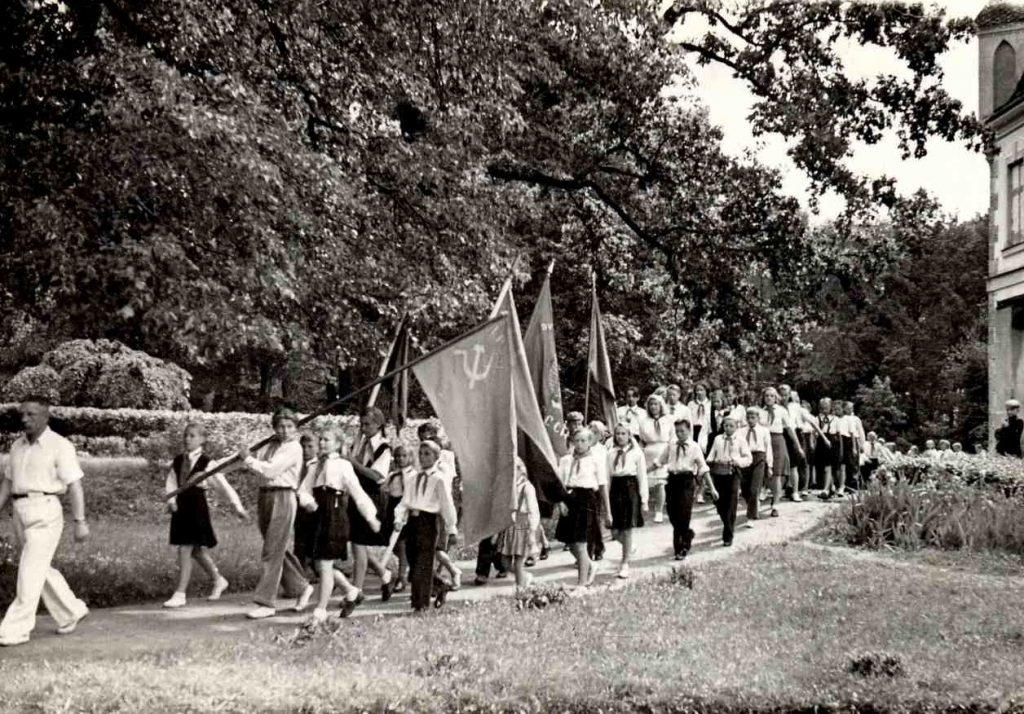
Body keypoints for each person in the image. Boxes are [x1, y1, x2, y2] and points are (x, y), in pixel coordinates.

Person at [0, 396, 91, 647]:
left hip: (46, 510)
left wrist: (80, 521)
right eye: (22, 414)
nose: (24, 419)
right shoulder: (17, 446)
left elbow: (74, 485)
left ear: (45, 417)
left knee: (29, 570)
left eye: (31, 414)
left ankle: (15, 629)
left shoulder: (59, 445)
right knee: (38, 568)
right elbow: (8, 482)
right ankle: (71, 610)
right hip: (19, 511)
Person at [233, 406, 314, 619]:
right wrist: (239, 459)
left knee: (271, 551)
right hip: (265, 496)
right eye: (280, 426)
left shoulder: (294, 448)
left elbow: (269, 470)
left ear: (295, 428)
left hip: (284, 496)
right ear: (274, 427)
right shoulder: (268, 445)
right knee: (276, 548)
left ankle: (266, 602)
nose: (285, 430)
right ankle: (302, 586)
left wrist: (248, 460)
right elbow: (247, 461)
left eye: (289, 426)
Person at [297, 428, 381, 621]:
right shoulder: (314, 466)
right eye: (321, 440)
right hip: (317, 515)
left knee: (325, 564)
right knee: (319, 564)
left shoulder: (343, 465)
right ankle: (351, 591)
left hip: (335, 516)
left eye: (327, 440)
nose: (322, 443)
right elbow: (303, 490)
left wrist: (371, 517)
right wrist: (307, 501)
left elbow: (358, 494)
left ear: (337, 444)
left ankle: (320, 610)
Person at [162, 423, 248, 609]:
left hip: (196, 508)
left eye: (192, 436)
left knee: (185, 549)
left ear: (202, 439)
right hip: (180, 508)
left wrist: (237, 506)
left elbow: (223, 486)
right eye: (186, 435)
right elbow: (171, 482)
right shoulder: (178, 460)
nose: (187, 439)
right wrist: (171, 501)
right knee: (195, 550)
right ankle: (218, 580)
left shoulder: (207, 462)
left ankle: (180, 593)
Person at [393, 440, 459, 612]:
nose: (423, 457)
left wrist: (452, 528)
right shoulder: (413, 478)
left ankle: (420, 605)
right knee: (413, 561)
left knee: (424, 561)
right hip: (412, 522)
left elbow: (447, 505)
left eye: (427, 454)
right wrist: (398, 518)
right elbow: (404, 501)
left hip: (429, 521)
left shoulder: (439, 479)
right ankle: (440, 584)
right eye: (421, 454)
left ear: (437, 457)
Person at [345, 407, 395, 602]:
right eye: (362, 424)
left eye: (368, 424)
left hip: (371, 497)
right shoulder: (358, 443)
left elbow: (376, 476)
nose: (364, 428)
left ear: (379, 425)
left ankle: (356, 590)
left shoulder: (383, 447)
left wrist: (354, 463)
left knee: (359, 544)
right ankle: (384, 574)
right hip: (355, 495)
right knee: (358, 544)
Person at [554, 428, 611, 589]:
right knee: (570, 541)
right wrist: (561, 502)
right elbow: (560, 483)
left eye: (583, 441)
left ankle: (582, 583)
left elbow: (602, 485)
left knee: (580, 542)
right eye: (576, 441)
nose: (579, 444)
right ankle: (590, 565)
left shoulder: (595, 460)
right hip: (569, 498)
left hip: (586, 500)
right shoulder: (566, 460)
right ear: (572, 441)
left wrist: (608, 512)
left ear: (590, 442)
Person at [659, 419, 714, 559]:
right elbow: (660, 461)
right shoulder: (671, 445)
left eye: (682, 431)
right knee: (672, 513)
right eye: (677, 431)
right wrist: (643, 472)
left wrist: (712, 488)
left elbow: (703, 468)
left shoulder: (695, 447)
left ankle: (681, 548)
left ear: (689, 431)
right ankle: (688, 533)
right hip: (672, 480)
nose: (679, 434)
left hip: (686, 481)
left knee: (683, 514)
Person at [607, 423, 647, 579]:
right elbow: (607, 476)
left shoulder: (637, 453)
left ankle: (625, 563)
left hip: (630, 488)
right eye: (617, 434)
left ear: (629, 435)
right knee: (615, 531)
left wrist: (644, 500)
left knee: (627, 527)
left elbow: (642, 477)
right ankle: (629, 547)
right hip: (615, 489)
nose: (620, 437)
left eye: (623, 433)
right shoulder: (610, 453)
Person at [705, 416, 752, 547]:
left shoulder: (740, 440)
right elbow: (711, 455)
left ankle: (728, 535)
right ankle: (727, 523)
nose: (728, 428)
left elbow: (748, 458)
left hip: (733, 472)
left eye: (731, 425)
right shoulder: (718, 439)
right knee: (719, 501)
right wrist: (711, 462)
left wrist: (737, 462)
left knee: (731, 503)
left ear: (736, 427)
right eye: (726, 425)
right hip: (718, 473)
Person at [496, 457, 540, 591]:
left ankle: (520, 590)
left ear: (521, 470)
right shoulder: (508, 487)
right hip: (509, 527)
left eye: (513, 470)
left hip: (522, 527)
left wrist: (532, 531)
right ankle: (525, 577)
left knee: (519, 562)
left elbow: (534, 510)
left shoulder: (527, 487)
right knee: (504, 561)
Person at [760, 388, 800, 517]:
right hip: (764, 441)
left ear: (776, 398)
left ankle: (775, 504)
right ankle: (766, 492)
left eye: (772, 396)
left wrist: (798, 446)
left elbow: (789, 429)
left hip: (778, 441)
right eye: (767, 396)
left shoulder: (782, 411)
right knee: (766, 472)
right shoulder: (760, 412)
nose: (769, 398)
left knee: (777, 474)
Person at [383, 445, 416, 592]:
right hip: (392, 508)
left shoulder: (414, 475)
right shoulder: (392, 475)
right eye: (397, 456)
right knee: (393, 544)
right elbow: (385, 490)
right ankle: (406, 565)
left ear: (410, 458)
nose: (400, 459)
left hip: (406, 508)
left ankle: (401, 577)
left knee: (401, 543)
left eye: (404, 456)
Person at [638, 394, 673, 524]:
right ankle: (644, 504)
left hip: (664, 450)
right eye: (651, 404)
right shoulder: (643, 420)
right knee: (645, 481)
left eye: (656, 404)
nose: (653, 407)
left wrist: (669, 452)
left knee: (660, 483)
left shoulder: (668, 420)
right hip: (649, 450)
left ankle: (658, 511)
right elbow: (641, 439)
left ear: (661, 406)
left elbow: (672, 438)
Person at [736, 406, 772, 524]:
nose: (750, 419)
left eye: (753, 417)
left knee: (754, 488)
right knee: (745, 489)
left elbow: (768, 448)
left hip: (759, 458)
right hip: (746, 459)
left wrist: (770, 465)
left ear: (758, 418)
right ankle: (754, 504)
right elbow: (737, 447)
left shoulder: (764, 430)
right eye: (748, 417)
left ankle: (750, 517)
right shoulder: (740, 431)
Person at [293, 433, 319, 579]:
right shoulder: (297, 464)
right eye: (303, 447)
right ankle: (301, 569)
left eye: (310, 447)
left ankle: (314, 566)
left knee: (314, 537)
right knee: (300, 538)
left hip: (314, 506)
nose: (306, 450)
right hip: (297, 504)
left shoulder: (318, 465)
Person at [816, 398, 843, 499]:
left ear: (830, 407)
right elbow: (815, 433)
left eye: (827, 407)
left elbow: (839, 434)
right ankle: (831, 487)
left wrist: (840, 448)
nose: (825, 409)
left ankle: (826, 489)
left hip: (833, 442)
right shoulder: (818, 418)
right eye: (822, 407)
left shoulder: (836, 419)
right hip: (821, 442)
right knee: (824, 467)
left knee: (830, 466)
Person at [688, 383, 712, 453]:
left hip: (706, 430)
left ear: (706, 391)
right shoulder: (691, 404)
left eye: (701, 390)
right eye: (697, 390)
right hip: (694, 429)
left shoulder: (710, 404)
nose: (699, 392)